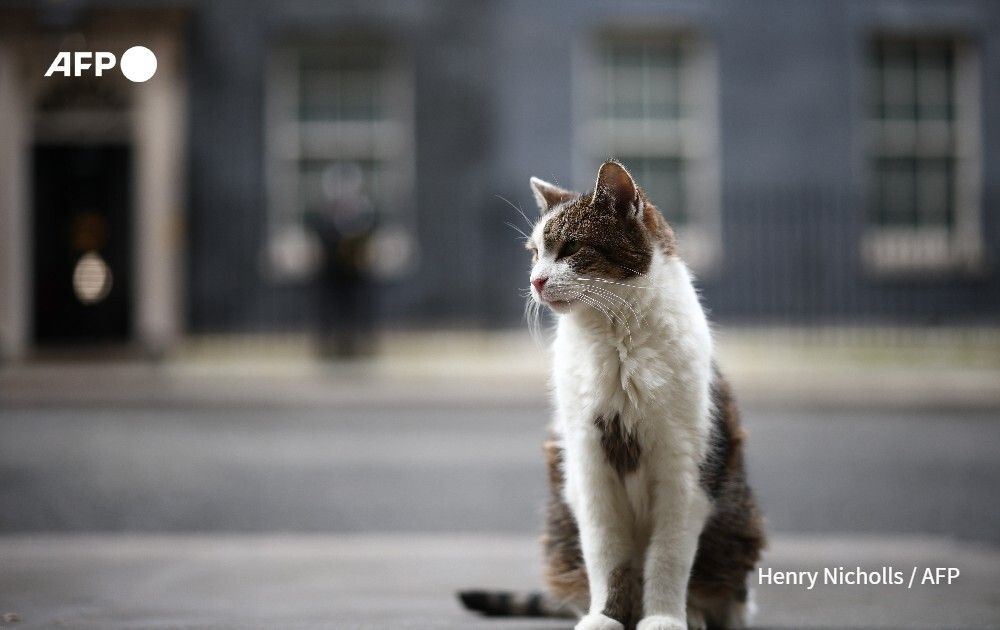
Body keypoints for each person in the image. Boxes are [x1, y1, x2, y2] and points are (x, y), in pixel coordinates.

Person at [305, 162, 377, 358]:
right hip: (330, 272)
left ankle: (359, 347)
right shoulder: (323, 213)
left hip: (355, 273)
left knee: (358, 309)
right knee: (329, 310)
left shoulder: (364, 212)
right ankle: (328, 348)